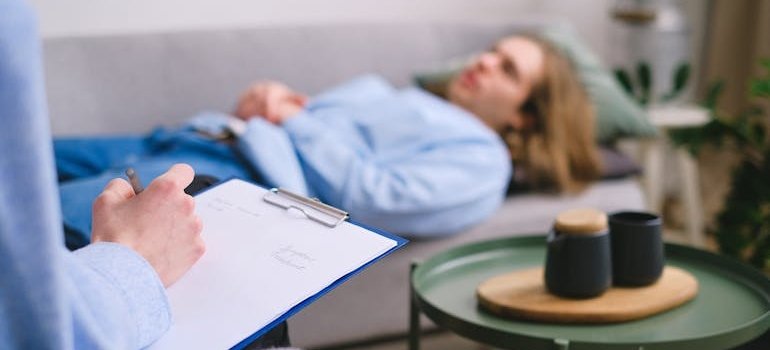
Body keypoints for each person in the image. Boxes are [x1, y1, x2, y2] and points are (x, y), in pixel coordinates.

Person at [55, 32, 601, 246]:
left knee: (32, 223)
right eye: (493, 51)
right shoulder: (399, 96)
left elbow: (373, 196)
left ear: (527, 117)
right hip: (192, 136)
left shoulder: (482, 159)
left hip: (227, 173)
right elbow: (303, 119)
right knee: (23, 156)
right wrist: (274, 101)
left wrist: (289, 116)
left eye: (508, 69)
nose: (485, 61)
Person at [0, 0, 205, 348]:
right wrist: (133, 257)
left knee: (45, 192)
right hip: (184, 137)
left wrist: (290, 121)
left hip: (236, 157)